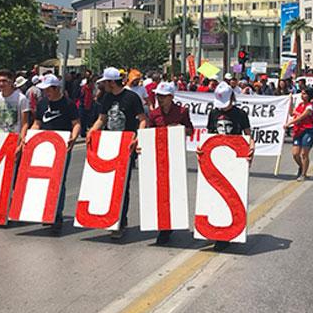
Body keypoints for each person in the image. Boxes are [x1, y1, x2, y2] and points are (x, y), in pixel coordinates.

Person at [87, 67, 147, 239]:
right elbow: (102, 119)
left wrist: (138, 138)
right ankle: (110, 217)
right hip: (109, 144)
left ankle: (120, 221)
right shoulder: (107, 98)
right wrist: (92, 131)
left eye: (105, 82)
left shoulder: (132, 97)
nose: (102, 85)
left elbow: (142, 119)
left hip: (126, 145)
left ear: (111, 82)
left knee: (122, 185)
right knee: (108, 184)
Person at [200, 82, 255, 251]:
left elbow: (248, 134)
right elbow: (209, 133)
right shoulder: (214, 113)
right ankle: (216, 230)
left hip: (233, 159)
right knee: (215, 195)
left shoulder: (240, 114)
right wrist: (202, 148)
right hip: (216, 158)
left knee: (231, 196)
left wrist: (251, 147)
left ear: (232, 98)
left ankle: (225, 235)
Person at [29, 74, 80, 233]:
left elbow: (76, 123)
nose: (46, 93)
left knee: (59, 181)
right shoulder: (43, 103)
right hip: (44, 146)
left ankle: (57, 214)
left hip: (62, 146)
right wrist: (29, 137)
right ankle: (46, 211)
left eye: (48, 90)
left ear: (56, 88)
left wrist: (73, 137)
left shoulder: (68, 104)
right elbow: (37, 123)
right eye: (44, 90)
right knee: (44, 180)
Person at [147, 81, 194, 245]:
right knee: (159, 190)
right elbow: (148, 133)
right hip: (158, 156)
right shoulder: (154, 114)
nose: (160, 99)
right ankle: (163, 226)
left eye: (163, 96)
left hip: (175, 156)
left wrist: (180, 127)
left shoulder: (181, 111)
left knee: (174, 190)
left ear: (171, 97)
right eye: (158, 96)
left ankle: (170, 226)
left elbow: (191, 130)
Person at [0, 71, 30, 145]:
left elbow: (25, 123)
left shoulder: (21, 99)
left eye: (4, 81)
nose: (1, 84)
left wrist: (21, 140)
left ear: (11, 82)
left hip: (15, 138)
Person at [284, 87, 313, 182]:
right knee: (295, 154)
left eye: (305, 94)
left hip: (308, 131)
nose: (303, 95)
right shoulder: (300, 105)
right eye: (302, 93)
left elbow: (301, 117)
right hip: (298, 131)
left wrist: (289, 123)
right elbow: (291, 113)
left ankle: (303, 174)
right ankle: (302, 167)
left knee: (304, 154)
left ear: (309, 95)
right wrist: (289, 101)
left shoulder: (310, 106)